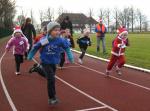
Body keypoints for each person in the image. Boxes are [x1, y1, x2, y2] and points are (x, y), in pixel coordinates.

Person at [28, 22, 74, 105]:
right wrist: (30, 55)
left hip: (54, 62)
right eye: (55, 30)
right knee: (51, 79)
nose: (57, 32)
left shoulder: (60, 40)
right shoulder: (45, 40)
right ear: (49, 31)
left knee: (50, 77)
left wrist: (71, 57)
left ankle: (37, 69)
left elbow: (67, 48)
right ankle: (52, 98)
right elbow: (36, 47)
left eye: (58, 30)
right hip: (45, 62)